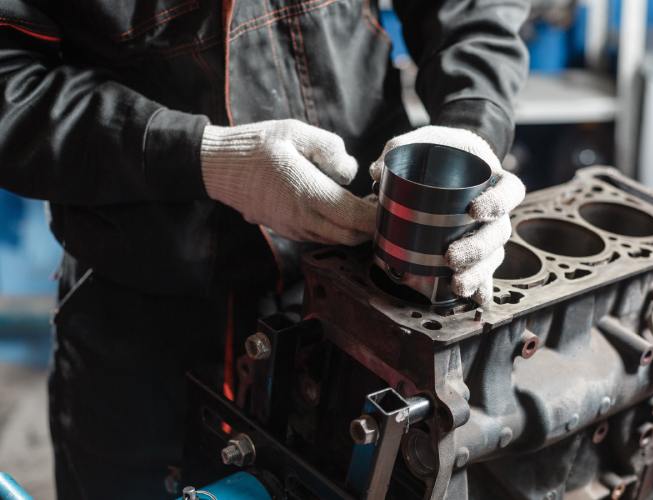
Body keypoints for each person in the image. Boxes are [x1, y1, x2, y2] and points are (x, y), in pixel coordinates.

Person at [0, 1, 528, 498]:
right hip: (141, 328)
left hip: (361, 311)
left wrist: (472, 129)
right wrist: (204, 157)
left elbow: (472, 11)